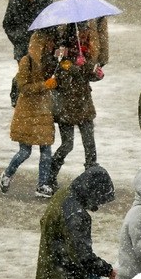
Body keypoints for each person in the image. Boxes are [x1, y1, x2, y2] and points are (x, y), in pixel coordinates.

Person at [0, 30, 58, 197]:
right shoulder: (26, 62)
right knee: (25, 152)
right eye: (47, 42)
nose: (50, 45)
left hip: (44, 110)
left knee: (46, 150)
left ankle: (42, 184)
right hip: (27, 112)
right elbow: (23, 87)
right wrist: (44, 85)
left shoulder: (51, 61)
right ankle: (7, 175)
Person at [48, 24, 100, 183]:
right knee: (67, 145)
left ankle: (91, 179)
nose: (85, 35)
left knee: (90, 145)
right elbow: (54, 72)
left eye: (86, 33)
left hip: (84, 104)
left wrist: (95, 72)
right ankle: (49, 176)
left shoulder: (85, 50)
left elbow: (89, 75)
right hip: (67, 107)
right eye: (82, 32)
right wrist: (69, 66)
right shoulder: (60, 52)